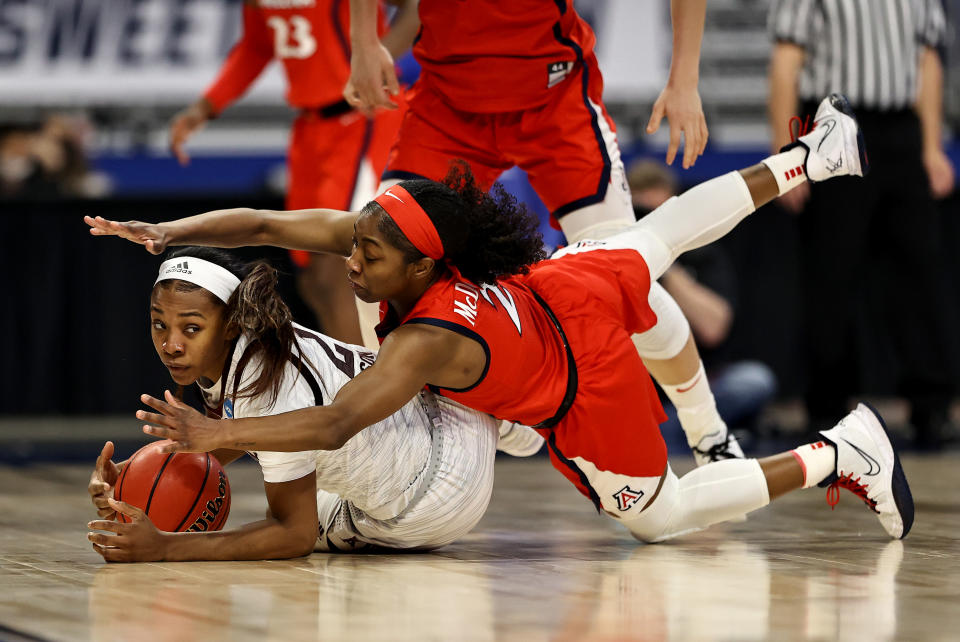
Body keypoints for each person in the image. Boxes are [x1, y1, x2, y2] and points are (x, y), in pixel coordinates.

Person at [88, 95, 914, 542]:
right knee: (654, 236)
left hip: (573, 394)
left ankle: (839, 452)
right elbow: (269, 225)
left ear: (419, 267)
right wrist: (171, 231)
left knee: (661, 518)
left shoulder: (423, 340)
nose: (351, 262)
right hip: (552, 292)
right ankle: (813, 154)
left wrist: (219, 438)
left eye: (367, 259)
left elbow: (339, 421)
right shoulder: (408, 239)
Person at [86, 246, 542, 562]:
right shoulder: (250, 342)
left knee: (276, 524)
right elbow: (238, 435)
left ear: (228, 326)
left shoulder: (260, 384)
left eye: (190, 328)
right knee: (442, 379)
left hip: (440, 489)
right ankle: (525, 420)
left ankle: (531, 418)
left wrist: (164, 548)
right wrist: (132, 476)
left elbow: (293, 534)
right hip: (434, 440)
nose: (171, 344)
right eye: (159, 325)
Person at [169, 0, 419, 347]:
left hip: (364, 118)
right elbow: (256, 47)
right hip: (311, 128)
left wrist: (378, 56)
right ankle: (356, 376)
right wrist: (205, 107)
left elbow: (415, 7)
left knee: (339, 268)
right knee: (313, 280)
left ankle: (369, 385)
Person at [768, 0, 956, 447]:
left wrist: (929, 145)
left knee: (920, 271)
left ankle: (931, 408)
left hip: (900, 130)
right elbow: (786, 60)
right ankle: (829, 412)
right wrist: (784, 151)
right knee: (831, 274)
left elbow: (927, 57)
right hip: (835, 125)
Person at [628, 159, 778, 447]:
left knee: (753, 380)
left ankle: (663, 436)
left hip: (692, 388)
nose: (650, 221)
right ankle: (685, 436)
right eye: (642, 215)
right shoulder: (609, 260)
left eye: (657, 214)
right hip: (635, 390)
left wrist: (663, 264)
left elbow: (714, 328)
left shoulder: (701, 254)